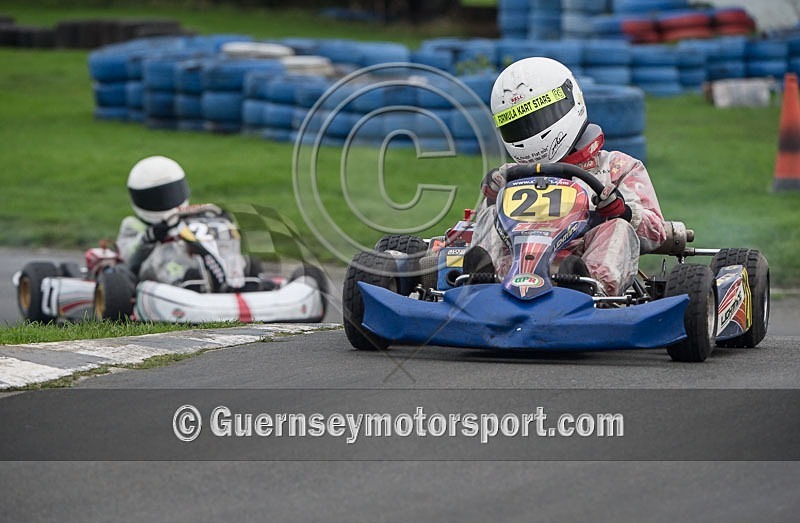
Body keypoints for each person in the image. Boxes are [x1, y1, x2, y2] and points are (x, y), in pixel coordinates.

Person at [471, 57, 667, 296]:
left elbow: (656, 231)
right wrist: (493, 198)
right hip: (515, 265)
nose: (529, 132)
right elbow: (475, 227)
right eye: (518, 126)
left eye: (536, 120)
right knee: (490, 215)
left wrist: (623, 211)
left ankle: (591, 287)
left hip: (581, 262)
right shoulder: (510, 175)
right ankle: (481, 283)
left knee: (618, 228)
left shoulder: (617, 167)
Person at [116, 155, 199, 284]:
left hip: (192, 263)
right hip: (154, 274)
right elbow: (127, 255)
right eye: (155, 199)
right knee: (164, 259)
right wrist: (148, 237)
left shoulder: (192, 220)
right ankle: (183, 285)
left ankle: (231, 279)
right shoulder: (132, 225)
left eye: (171, 193)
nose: (165, 201)